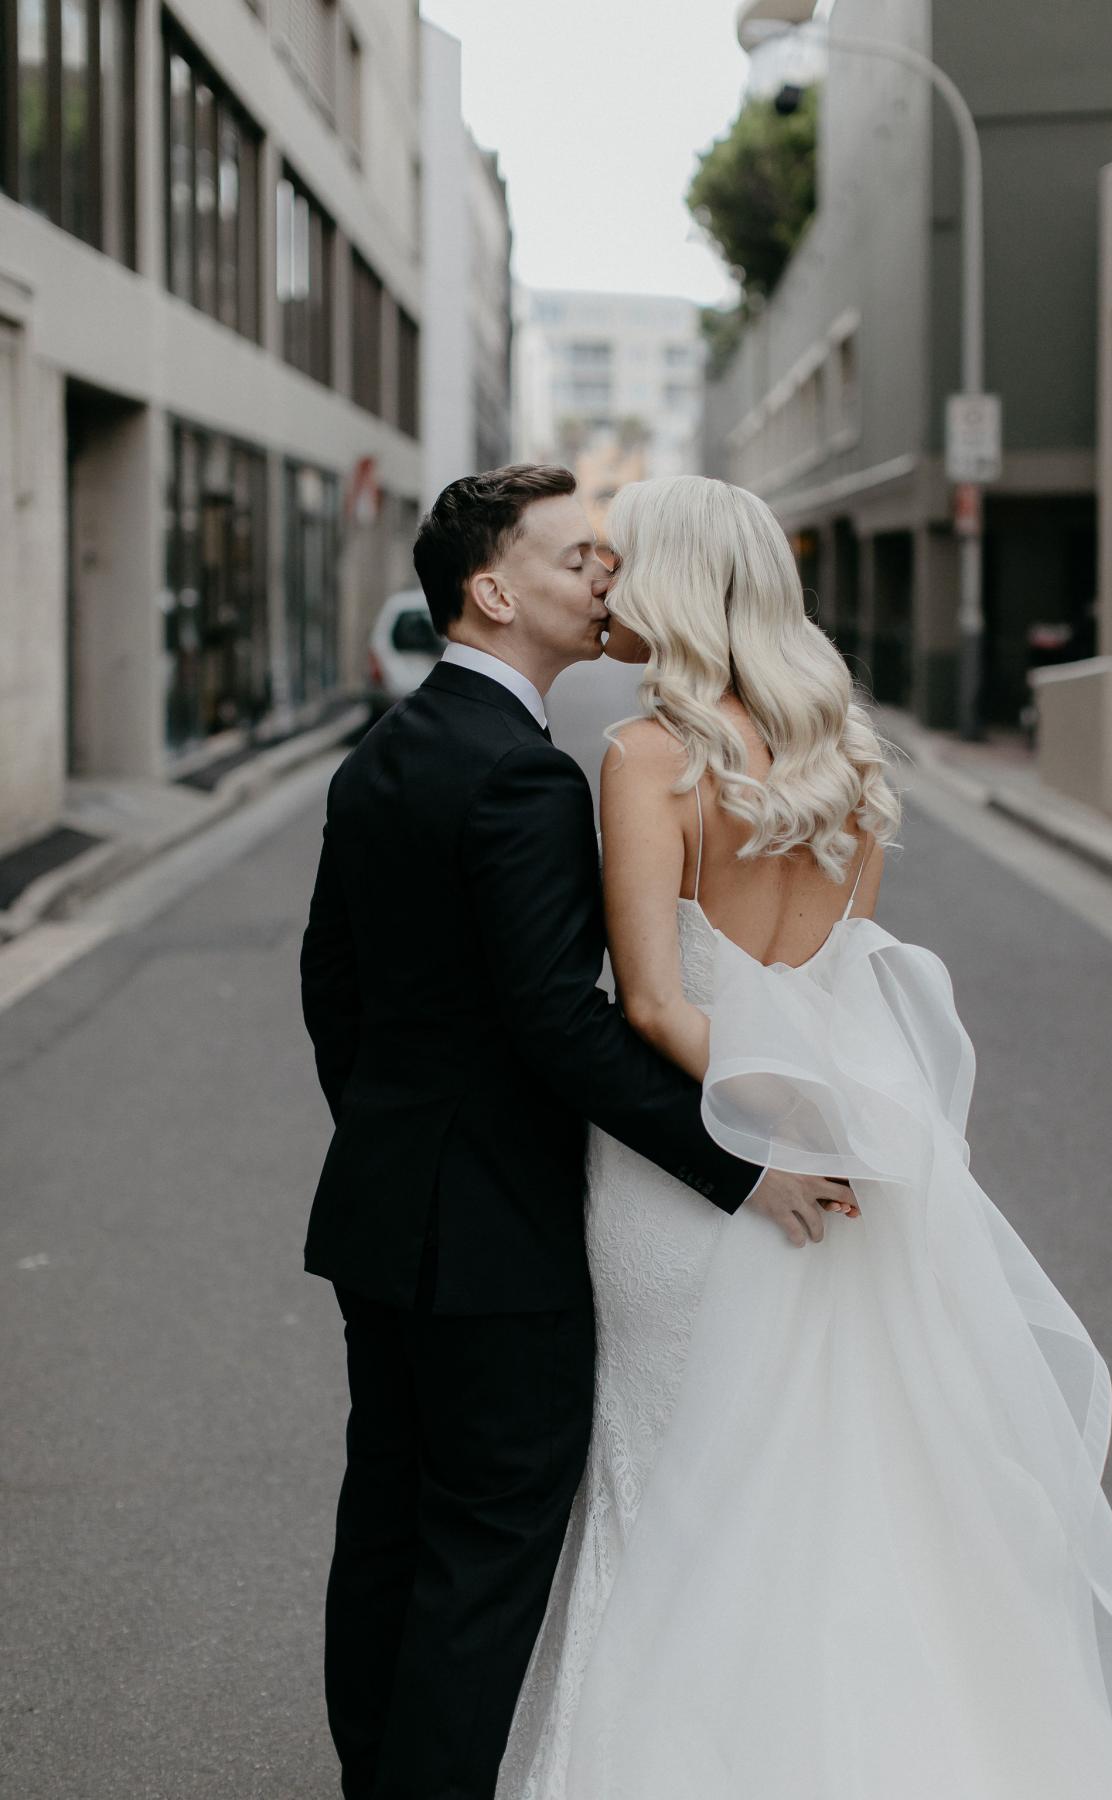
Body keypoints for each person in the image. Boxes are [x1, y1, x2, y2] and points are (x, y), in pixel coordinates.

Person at [497, 476, 1112, 1800]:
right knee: (838, 1479)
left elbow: (651, 1000)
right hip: (848, 1140)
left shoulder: (646, 756)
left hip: (693, 1167)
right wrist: (817, 1117)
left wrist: (753, 1139)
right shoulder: (841, 755)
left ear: (681, 584)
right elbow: (838, 975)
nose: (606, 590)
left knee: (677, 1481)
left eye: (622, 566)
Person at [298, 465, 836, 1800]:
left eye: (607, 556)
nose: (602, 575)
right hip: (498, 1244)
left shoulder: (385, 756)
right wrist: (739, 1167)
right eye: (573, 559)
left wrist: (395, 1145)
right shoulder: (525, 781)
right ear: (493, 590)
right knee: (484, 1554)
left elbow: (333, 990)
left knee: (389, 1526)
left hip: (383, 1217)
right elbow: (563, 1024)